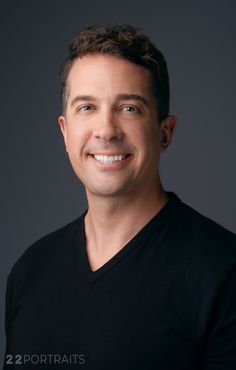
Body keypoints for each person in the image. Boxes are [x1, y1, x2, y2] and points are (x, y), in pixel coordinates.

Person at [3, 24, 236, 370]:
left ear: (165, 132)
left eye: (129, 108)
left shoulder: (224, 273)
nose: (107, 130)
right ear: (65, 132)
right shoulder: (29, 272)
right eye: (87, 107)